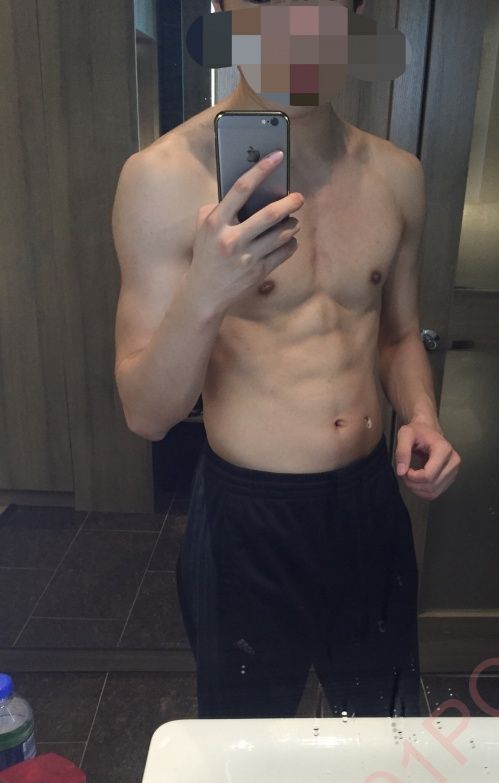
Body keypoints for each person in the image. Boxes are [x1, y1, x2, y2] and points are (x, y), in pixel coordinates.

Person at [112, 0, 461, 719]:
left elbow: (399, 335)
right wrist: (206, 290)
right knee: (246, 745)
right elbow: (146, 414)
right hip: (248, 521)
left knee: (384, 730)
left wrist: (422, 415)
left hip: (369, 505)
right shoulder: (161, 178)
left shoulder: (397, 175)